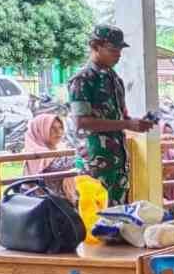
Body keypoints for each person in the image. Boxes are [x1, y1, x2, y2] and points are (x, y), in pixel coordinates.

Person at [68, 24, 155, 204]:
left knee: (118, 216)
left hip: (117, 161)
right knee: (95, 217)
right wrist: (126, 125)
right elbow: (81, 122)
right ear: (95, 47)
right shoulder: (83, 80)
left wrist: (137, 123)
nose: (118, 54)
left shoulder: (115, 80)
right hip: (94, 162)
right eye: (112, 49)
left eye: (120, 50)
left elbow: (122, 118)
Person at [22, 114, 77, 199]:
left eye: (60, 127)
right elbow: (62, 165)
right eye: (52, 128)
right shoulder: (36, 152)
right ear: (39, 130)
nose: (59, 132)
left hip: (57, 203)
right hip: (47, 204)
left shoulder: (59, 148)